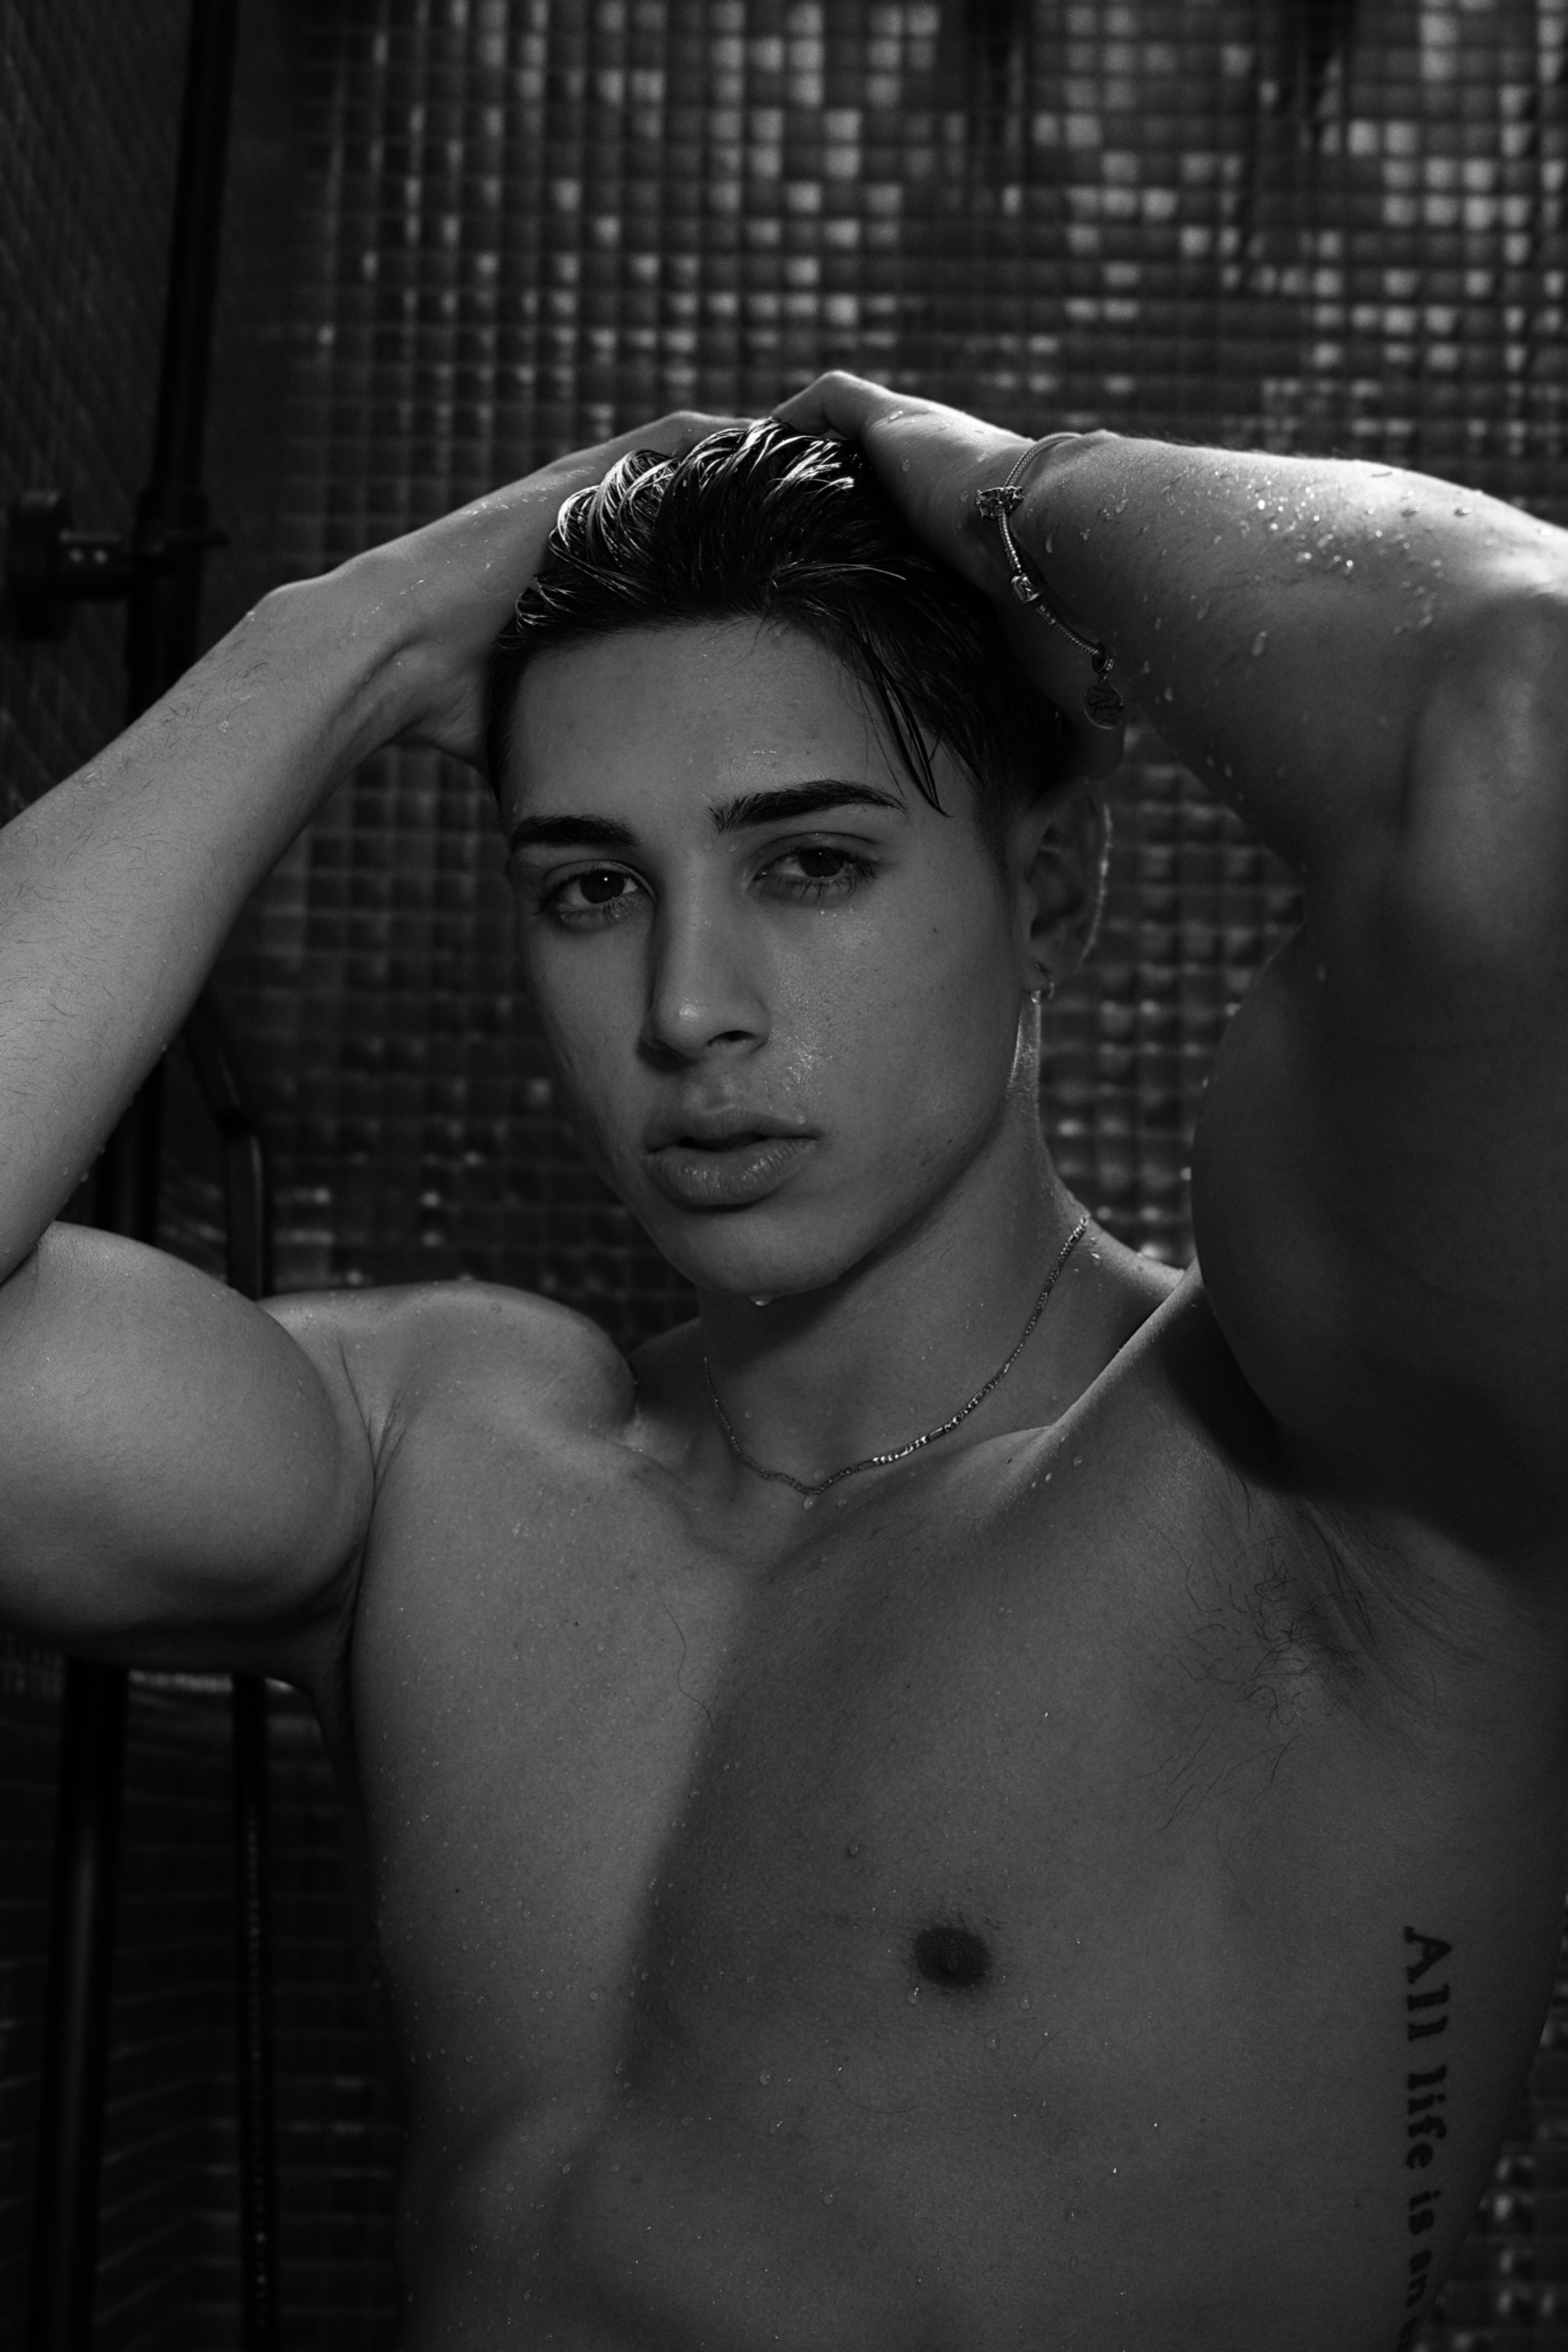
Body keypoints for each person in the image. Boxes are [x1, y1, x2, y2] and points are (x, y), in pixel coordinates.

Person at [0, 372, 1563, 2352]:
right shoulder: (437, 1461)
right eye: (591, 889)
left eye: (808, 862)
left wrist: (1007, 493)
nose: (684, 1009)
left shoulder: (1331, 1475)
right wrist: (347, 639)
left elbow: (1522, 719)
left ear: (1051, 892)